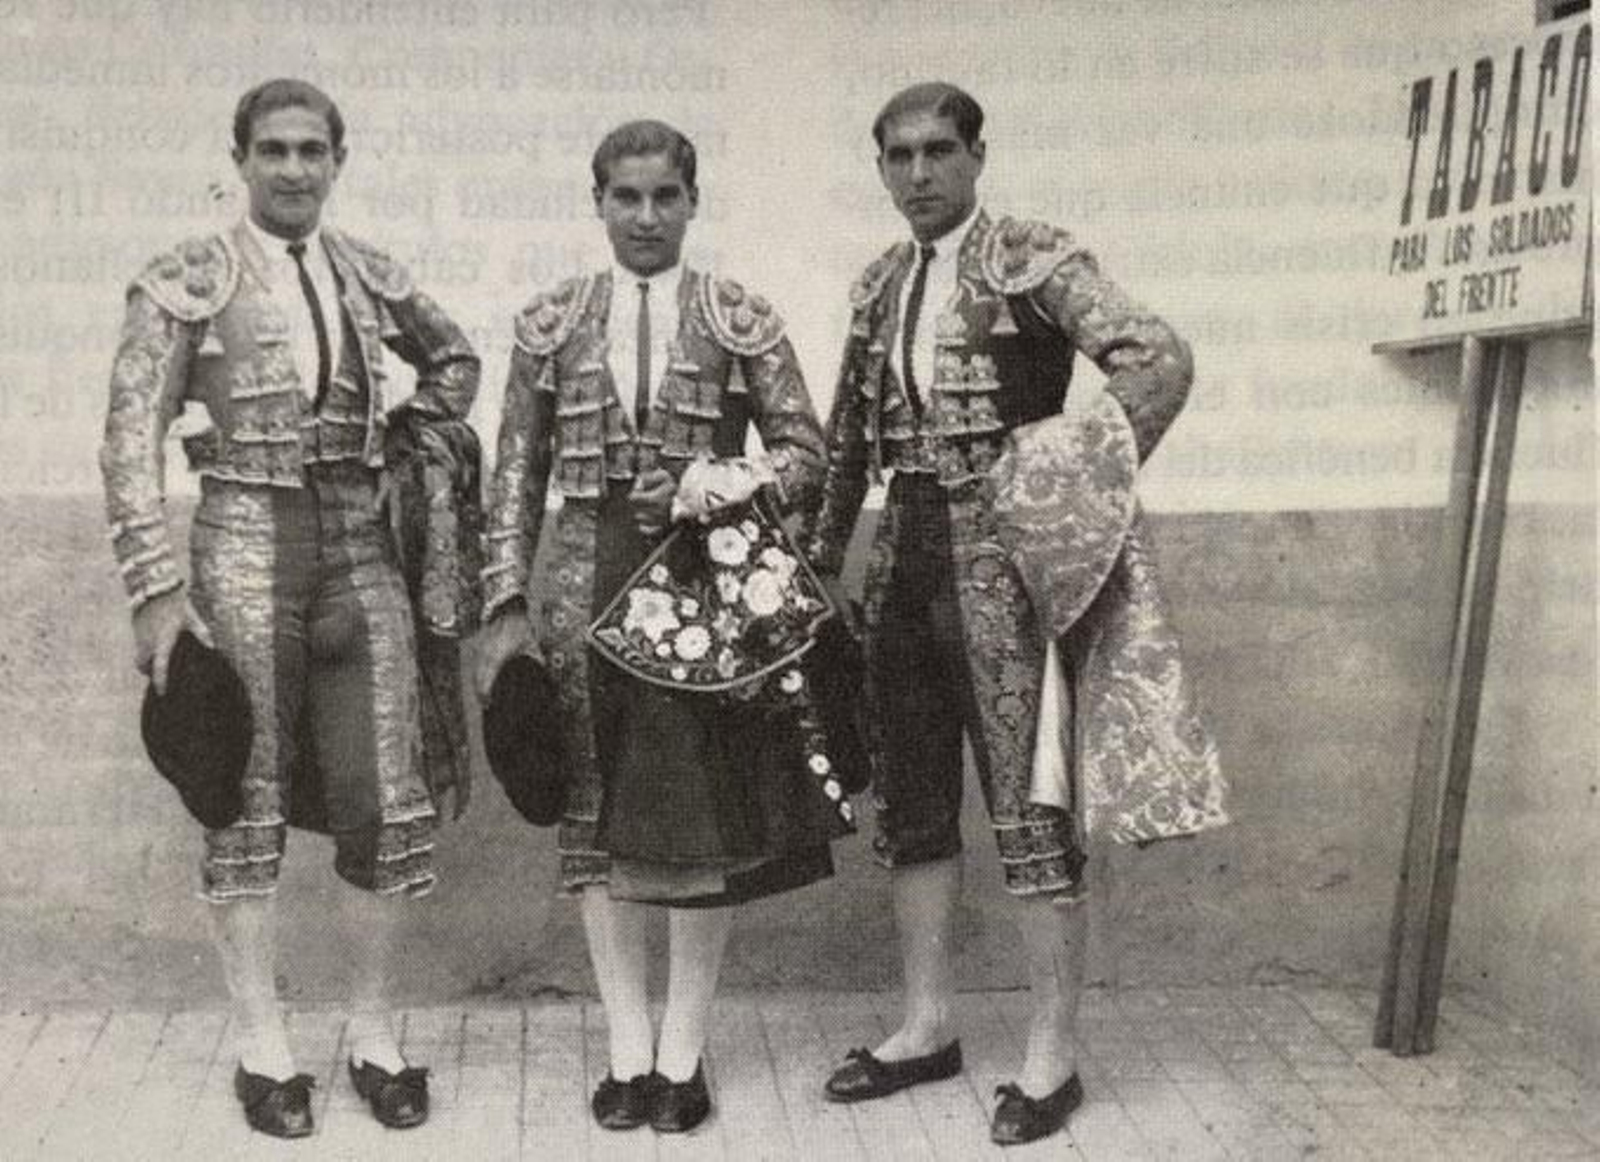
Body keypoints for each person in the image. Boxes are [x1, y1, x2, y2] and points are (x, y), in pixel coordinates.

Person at [805, 82, 1202, 1145]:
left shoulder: (1033, 257)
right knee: (915, 806)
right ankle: (928, 1024)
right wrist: (811, 569)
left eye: (940, 150)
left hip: (1009, 567)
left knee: (1033, 811)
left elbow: (1155, 357)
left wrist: (1068, 478)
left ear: (978, 155)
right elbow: (847, 444)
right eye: (899, 156)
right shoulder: (879, 283)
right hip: (902, 563)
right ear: (880, 167)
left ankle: (1050, 1052)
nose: (920, 173)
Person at [99, 78, 480, 1138]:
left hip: (359, 548)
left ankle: (371, 1034)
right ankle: (263, 1047)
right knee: (243, 803)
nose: (295, 169)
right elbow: (129, 437)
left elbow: (454, 358)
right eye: (275, 150)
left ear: (338, 161)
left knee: (385, 803)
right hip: (242, 546)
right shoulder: (188, 278)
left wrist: (404, 440)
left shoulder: (366, 270)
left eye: (314, 150)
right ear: (241, 158)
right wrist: (155, 587)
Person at [476, 120, 844, 1135]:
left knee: (698, 821)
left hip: (702, 591)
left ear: (691, 201)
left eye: (664, 197)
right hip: (578, 582)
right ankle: (625, 1047)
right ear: (596, 201)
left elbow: (807, 454)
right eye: (626, 197)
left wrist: (714, 479)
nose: (645, 216)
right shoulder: (548, 323)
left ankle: (681, 1054)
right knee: (592, 819)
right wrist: (502, 610)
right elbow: (512, 480)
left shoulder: (737, 317)